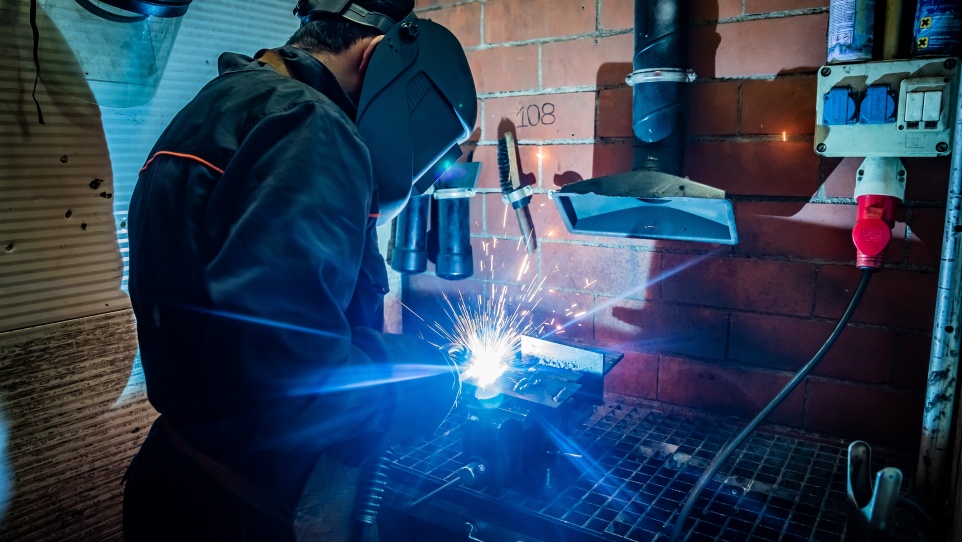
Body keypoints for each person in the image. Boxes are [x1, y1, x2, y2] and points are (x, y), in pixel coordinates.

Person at [122, 1, 476, 540]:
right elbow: (289, 383)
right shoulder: (315, 129)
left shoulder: (217, 106)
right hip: (248, 507)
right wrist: (422, 376)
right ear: (379, 56)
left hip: (180, 475)